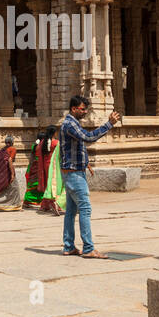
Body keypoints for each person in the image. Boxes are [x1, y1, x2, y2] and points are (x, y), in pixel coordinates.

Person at [59, 95, 121, 258]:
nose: (85, 112)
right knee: (85, 208)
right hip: (74, 174)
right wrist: (109, 124)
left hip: (73, 171)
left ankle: (68, 246)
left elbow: (77, 145)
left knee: (71, 211)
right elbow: (88, 137)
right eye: (82, 109)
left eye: (85, 109)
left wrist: (86, 162)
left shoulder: (72, 123)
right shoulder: (70, 124)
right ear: (73, 109)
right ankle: (88, 248)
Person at [22, 126, 56, 209]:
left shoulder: (35, 145)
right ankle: (42, 201)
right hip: (39, 167)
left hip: (33, 167)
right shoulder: (41, 146)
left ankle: (28, 201)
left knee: (34, 185)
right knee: (40, 184)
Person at [0, 135, 23, 211]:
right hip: (7, 172)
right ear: (12, 142)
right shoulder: (12, 149)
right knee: (14, 188)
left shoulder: (2, 150)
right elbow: (10, 160)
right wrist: (12, 174)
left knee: (3, 189)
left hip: (1, 173)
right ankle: (15, 206)